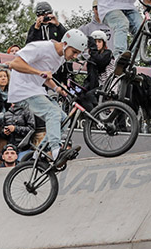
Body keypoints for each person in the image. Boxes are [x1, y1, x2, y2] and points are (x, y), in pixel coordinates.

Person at [7, 28, 90, 160]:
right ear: (65, 44)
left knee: (64, 118)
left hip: (36, 90)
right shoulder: (41, 47)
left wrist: (57, 88)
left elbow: (46, 77)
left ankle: (39, 153)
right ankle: (55, 150)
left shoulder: (61, 58)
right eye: (74, 52)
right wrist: (38, 72)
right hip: (22, 90)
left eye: (78, 54)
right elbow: (15, 63)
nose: (74, 56)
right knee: (53, 113)